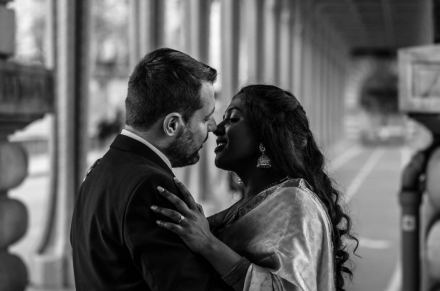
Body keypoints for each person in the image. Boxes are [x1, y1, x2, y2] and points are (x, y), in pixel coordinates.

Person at [152, 84, 356, 291]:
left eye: (232, 119)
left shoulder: (295, 203)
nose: (216, 128)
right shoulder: (259, 202)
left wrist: (209, 245)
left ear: (263, 135)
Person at [70, 48, 233, 291]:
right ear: (172, 125)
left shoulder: (98, 170)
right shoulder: (151, 187)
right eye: (204, 118)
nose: (212, 127)